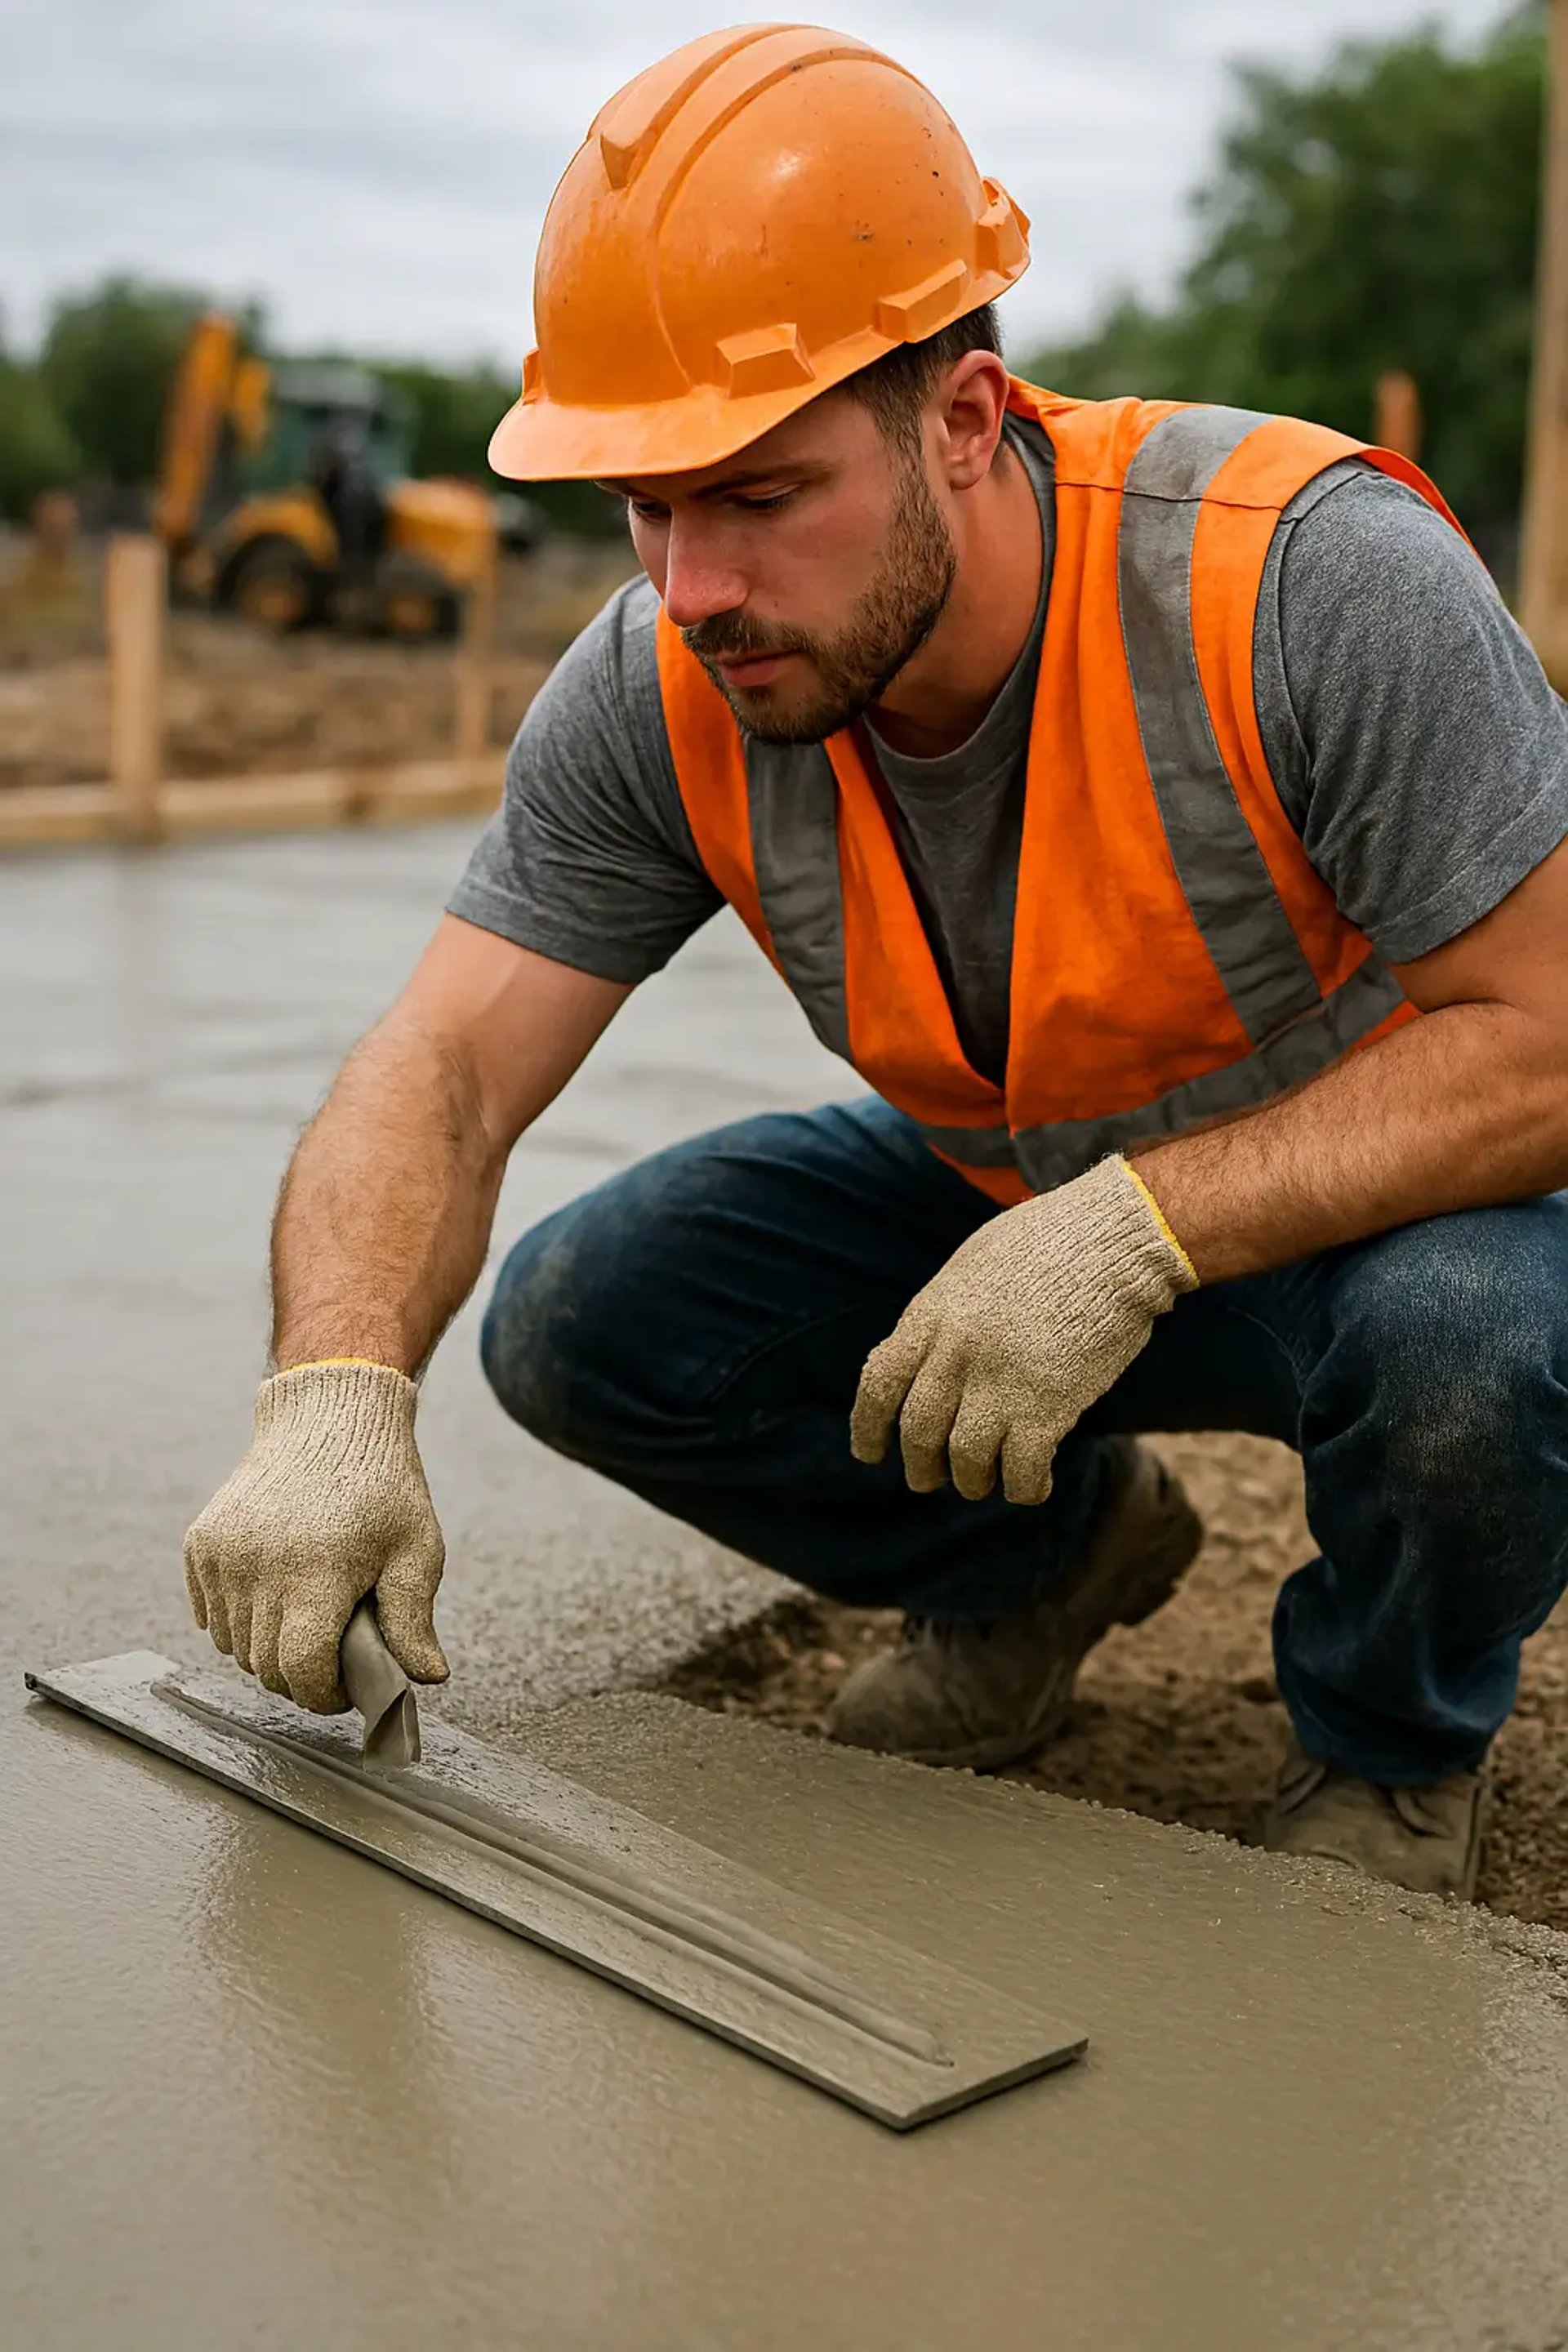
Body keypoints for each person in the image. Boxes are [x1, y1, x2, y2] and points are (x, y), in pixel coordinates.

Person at [185, 25, 1568, 1900]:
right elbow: (440, 1063)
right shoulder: (669, 678)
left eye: (759, 495)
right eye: (649, 506)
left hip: (1395, 1223)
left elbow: (1553, 1039)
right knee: (593, 1318)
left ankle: (1391, 1746)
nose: (693, 586)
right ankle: (1049, 1563)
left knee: (1483, 1346)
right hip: (1024, 1206)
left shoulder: (1301, 584)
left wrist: (1136, 1229)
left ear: (967, 421)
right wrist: (331, 1387)